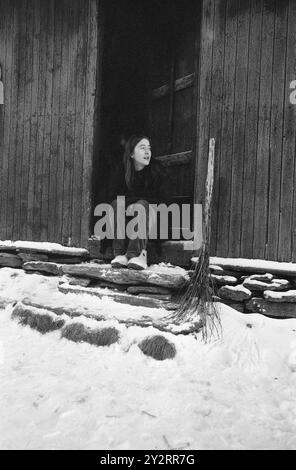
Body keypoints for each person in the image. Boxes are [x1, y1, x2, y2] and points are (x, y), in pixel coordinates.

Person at [109, 135, 169, 270]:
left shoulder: (157, 172)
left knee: (142, 205)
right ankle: (119, 254)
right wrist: (129, 205)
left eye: (149, 148)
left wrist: (137, 203)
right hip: (128, 221)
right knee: (116, 204)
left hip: (154, 220)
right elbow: (113, 196)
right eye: (142, 148)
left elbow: (163, 201)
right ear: (131, 153)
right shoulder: (122, 172)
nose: (147, 152)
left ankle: (135, 254)